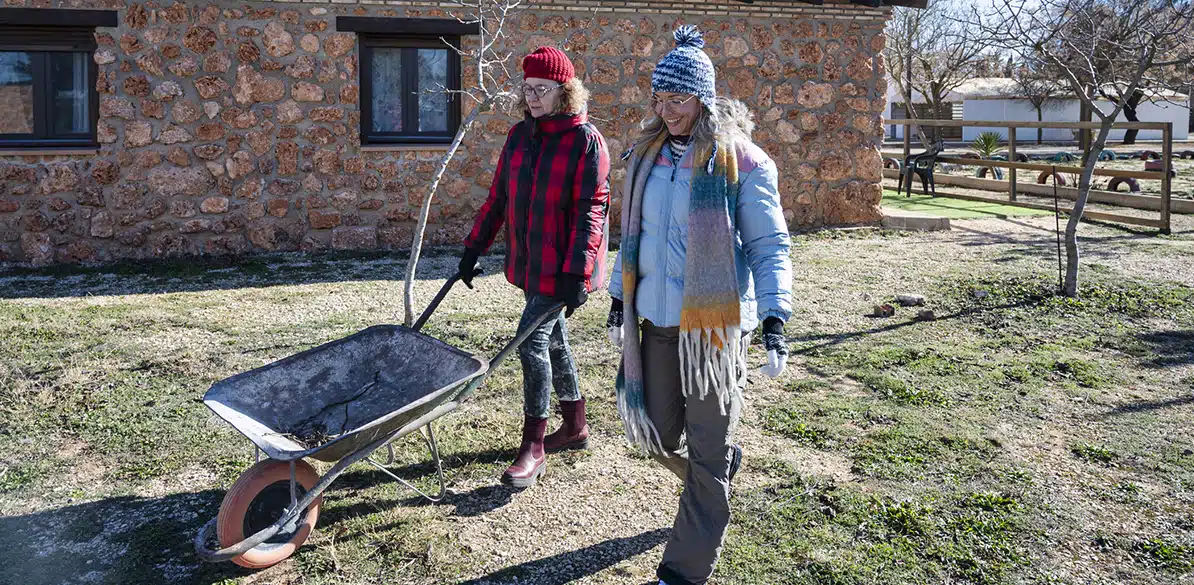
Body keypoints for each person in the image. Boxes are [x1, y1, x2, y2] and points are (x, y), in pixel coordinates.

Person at [606, 26, 793, 585]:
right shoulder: (646, 157)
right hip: (657, 327)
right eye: (660, 98)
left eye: (678, 99)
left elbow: (769, 244)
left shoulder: (743, 162)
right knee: (654, 436)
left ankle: (682, 571)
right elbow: (634, 236)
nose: (667, 111)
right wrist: (620, 302)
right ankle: (715, 477)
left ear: (704, 99)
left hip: (711, 335)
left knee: (707, 452)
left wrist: (774, 319)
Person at [458, 46, 611, 489]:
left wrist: (577, 272)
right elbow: (499, 197)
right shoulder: (519, 136)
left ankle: (535, 445)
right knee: (554, 342)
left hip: (562, 268)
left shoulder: (586, 141)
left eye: (541, 90)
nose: (533, 98)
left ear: (566, 92)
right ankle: (576, 425)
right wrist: (474, 248)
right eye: (527, 89)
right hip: (530, 261)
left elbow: (591, 212)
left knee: (530, 344)